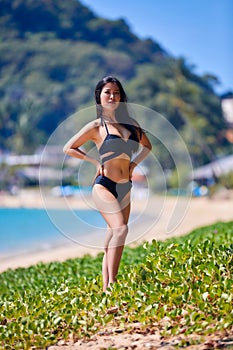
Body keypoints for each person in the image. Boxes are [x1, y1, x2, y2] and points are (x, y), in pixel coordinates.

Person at [63, 76, 152, 292]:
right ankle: (113, 285)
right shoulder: (96, 126)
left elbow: (147, 146)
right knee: (120, 229)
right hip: (104, 185)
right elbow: (68, 147)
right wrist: (94, 161)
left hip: (125, 187)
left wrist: (133, 165)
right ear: (99, 97)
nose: (112, 96)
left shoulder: (131, 125)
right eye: (107, 92)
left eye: (116, 92)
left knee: (114, 235)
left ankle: (105, 291)